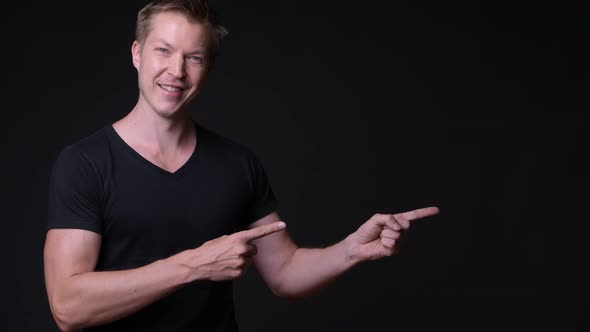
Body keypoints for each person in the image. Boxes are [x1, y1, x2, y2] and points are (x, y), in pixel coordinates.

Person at [43, 0, 439, 331]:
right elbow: (68, 307)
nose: (176, 71)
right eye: (163, 50)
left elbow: (284, 273)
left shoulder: (237, 164)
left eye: (193, 57)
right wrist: (193, 265)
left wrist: (350, 250)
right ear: (137, 54)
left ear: (207, 68)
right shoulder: (84, 163)